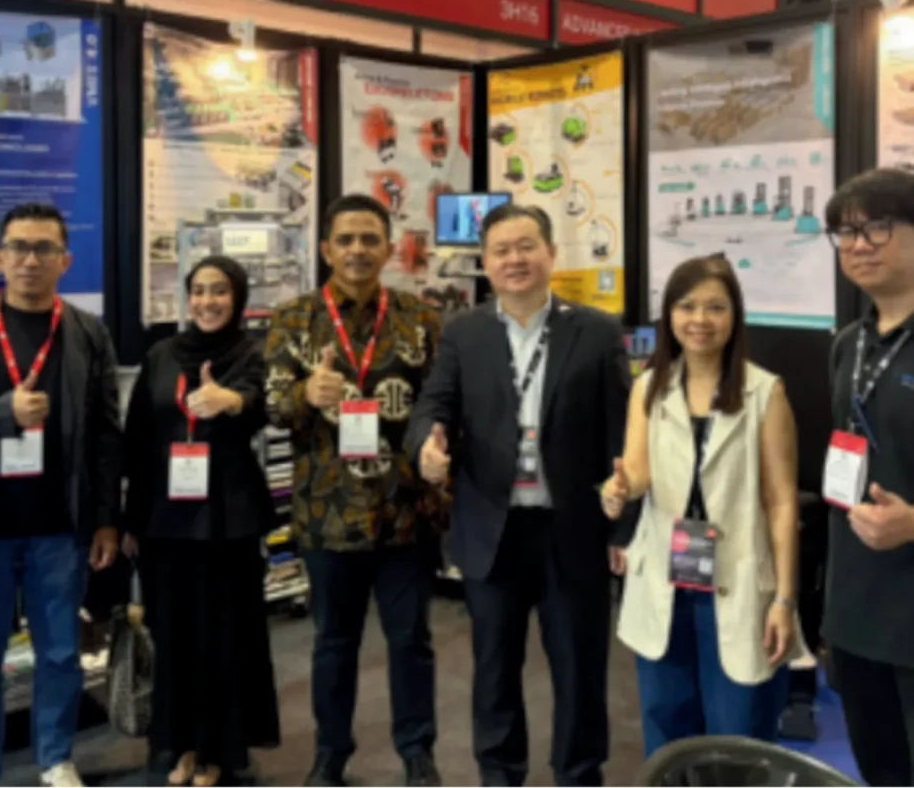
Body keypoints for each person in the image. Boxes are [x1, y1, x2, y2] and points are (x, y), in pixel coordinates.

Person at [409, 202, 629, 788]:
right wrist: (425, 445)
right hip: (493, 529)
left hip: (571, 530)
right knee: (494, 671)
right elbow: (433, 405)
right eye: (501, 250)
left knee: (580, 670)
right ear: (485, 263)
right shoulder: (465, 332)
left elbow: (622, 434)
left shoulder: (597, 331)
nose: (515, 259)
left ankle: (578, 775)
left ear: (551, 253)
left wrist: (623, 526)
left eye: (527, 246)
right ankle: (500, 775)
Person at [265, 194, 443, 788]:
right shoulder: (293, 319)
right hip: (327, 511)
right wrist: (304, 395)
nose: (357, 250)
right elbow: (272, 407)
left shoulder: (421, 319)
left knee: (411, 642)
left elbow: (441, 404)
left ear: (389, 249)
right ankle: (330, 755)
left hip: (405, 511)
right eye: (345, 240)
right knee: (333, 644)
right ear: (325, 249)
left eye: (370, 239)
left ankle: (417, 753)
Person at [0, 202, 122, 788]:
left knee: (60, 655)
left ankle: (55, 759)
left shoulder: (87, 333)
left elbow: (107, 434)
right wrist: (5, 413)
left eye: (44, 248)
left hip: (59, 528)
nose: (30, 259)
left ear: (64, 261)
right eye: (19, 247)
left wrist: (106, 519)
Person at [601, 255, 802, 756]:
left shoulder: (764, 393)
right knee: (667, 726)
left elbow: (781, 503)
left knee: (736, 734)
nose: (700, 319)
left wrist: (785, 599)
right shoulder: (649, 387)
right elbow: (637, 470)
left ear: (735, 316)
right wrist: (619, 489)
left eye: (716, 307)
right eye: (687, 306)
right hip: (664, 580)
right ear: (669, 313)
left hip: (737, 582)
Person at [122, 255, 279, 786]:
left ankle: (218, 750)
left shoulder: (252, 353)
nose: (208, 301)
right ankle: (180, 744)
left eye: (219, 291)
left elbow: (263, 404)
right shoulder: (161, 355)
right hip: (165, 518)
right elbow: (138, 438)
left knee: (224, 636)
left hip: (227, 520)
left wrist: (231, 400)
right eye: (199, 291)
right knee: (173, 635)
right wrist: (129, 519)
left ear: (237, 299)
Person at [823, 168, 914, 788]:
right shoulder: (849, 343)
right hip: (855, 615)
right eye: (845, 232)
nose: (858, 245)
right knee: (880, 772)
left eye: (877, 227)